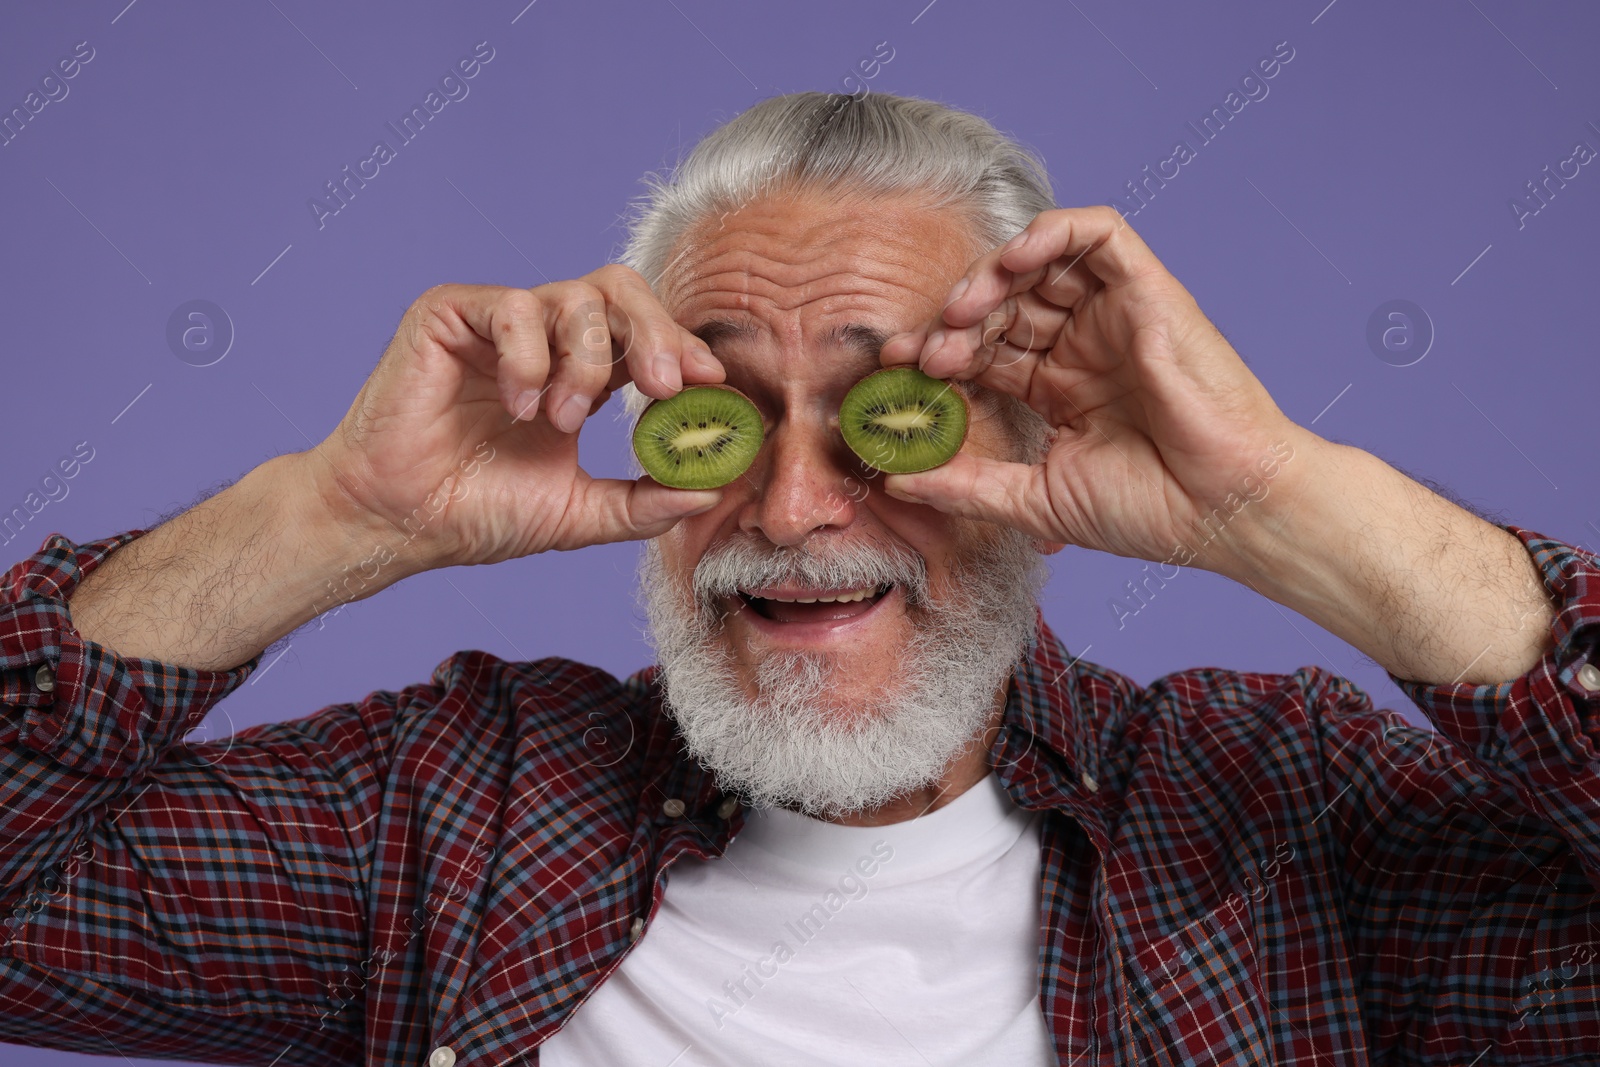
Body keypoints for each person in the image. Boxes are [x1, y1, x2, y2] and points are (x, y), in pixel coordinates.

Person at [2, 91, 1596, 1067]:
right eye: (726, 418)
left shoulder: (1279, 814)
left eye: (893, 416)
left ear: (1045, 429)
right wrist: (336, 514)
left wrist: (1278, 496)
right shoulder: (457, 807)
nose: (794, 503)